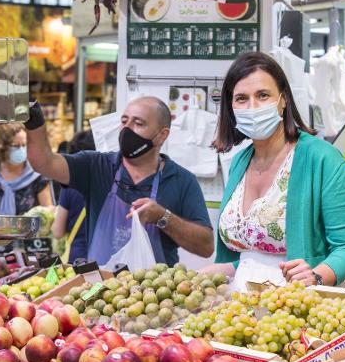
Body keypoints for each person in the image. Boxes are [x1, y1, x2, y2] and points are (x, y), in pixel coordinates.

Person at [204, 52, 345, 290]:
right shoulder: (239, 162)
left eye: (263, 95)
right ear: (231, 106)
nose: (253, 107)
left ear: (283, 99)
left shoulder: (323, 159)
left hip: (297, 307)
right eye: (241, 99)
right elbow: (250, 257)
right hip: (239, 309)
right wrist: (210, 272)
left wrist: (316, 276)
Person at [26, 96, 214, 267]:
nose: (127, 129)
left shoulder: (182, 181)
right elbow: (44, 162)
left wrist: (163, 217)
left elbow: (206, 247)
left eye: (138, 123)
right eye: (124, 121)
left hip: (156, 297)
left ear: (162, 135)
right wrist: (34, 121)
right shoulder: (96, 166)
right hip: (98, 293)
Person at [0, 123, 53, 215]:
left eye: (24, 145)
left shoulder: (38, 176)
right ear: (0, 147)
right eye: (15, 146)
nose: (21, 150)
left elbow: (48, 213)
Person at [52, 130, 95, 262]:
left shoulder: (69, 186)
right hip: (105, 257)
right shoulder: (112, 184)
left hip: (78, 258)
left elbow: (58, 232)